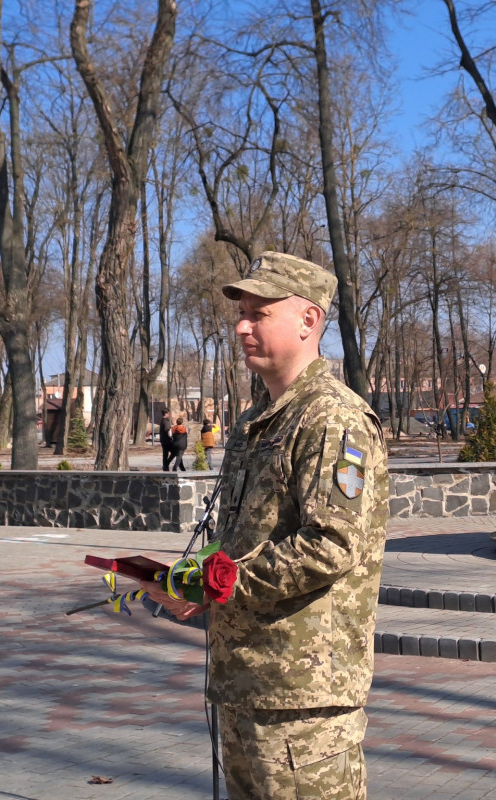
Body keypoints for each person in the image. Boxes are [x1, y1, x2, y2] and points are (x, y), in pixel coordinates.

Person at [141, 251, 388, 800]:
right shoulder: (257, 421)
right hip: (246, 681)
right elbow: (241, 539)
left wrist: (220, 585)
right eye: (241, 313)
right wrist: (191, 581)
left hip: (303, 695)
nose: (241, 327)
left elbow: (331, 543)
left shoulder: (332, 417)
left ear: (308, 320)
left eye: (259, 313)